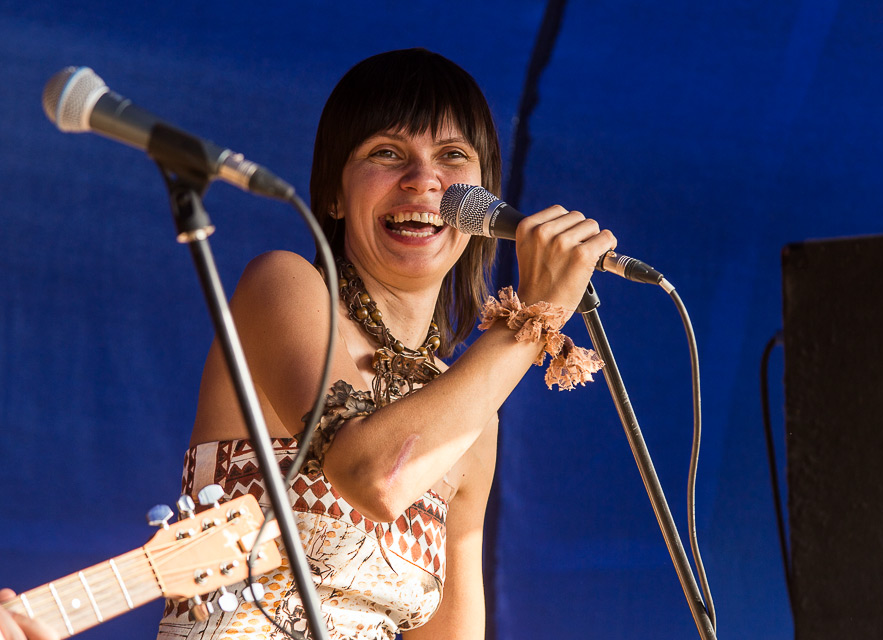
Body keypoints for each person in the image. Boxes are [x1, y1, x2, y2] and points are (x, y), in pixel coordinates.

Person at [156, 48, 615, 640]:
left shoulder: (471, 414)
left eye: (452, 156)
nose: (423, 179)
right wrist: (530, 320)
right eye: (386, 153)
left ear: (485, 203)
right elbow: (371, 475)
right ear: (334, 194)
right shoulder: (283, 286)